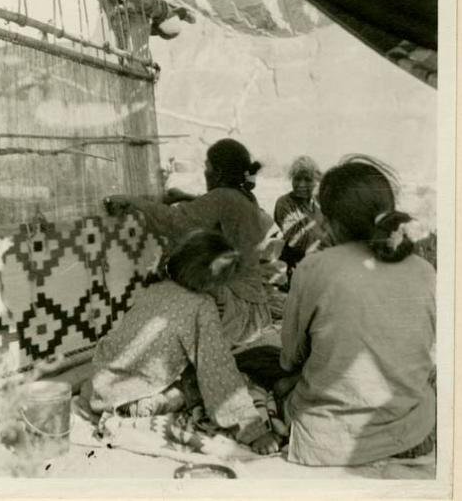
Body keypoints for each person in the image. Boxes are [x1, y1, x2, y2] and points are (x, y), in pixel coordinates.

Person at [279, 156, 436, 466]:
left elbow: (289, 358)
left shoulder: (313, 268)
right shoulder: (424, 269)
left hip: (326, 443)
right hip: (412, 434)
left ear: (331, 221)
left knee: (279, 382)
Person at [87, 230, 279, 455]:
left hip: (102, 387)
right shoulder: (201, 307)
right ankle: (153, 403)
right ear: (213, 281)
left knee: (189, 371)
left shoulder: (155, 290)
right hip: (132, 395)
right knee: (208, 384)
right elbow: (218, 372)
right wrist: (253, 430)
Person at [104, 138, 273, 348]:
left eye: (207, 167)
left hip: (235, 309)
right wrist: (186, 197)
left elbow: (175, 222)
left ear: (218, 172)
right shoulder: (245, 197)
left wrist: (133, 201)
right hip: (253, 305)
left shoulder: (222, 197)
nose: (205, 172)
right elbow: (219, 210)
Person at [273, 156, 330, 286]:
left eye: (307, 180)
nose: (301, 184)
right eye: (297, 178)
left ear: (315, 182)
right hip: (295, 271)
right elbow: (296, 240)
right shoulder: (284, 203)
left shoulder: (318, 205)